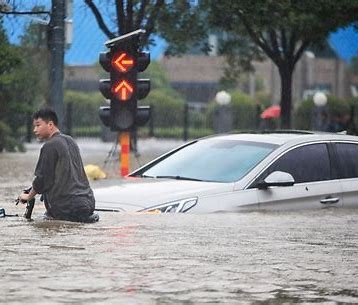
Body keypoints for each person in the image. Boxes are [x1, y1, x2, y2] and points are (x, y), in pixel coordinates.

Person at [18, 108, 98, 223]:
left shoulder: (49, 146)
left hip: (65, 209)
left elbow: (42, 180)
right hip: (88, 204)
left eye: (38, 125)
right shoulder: (71, 141)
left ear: (50, 124)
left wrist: (27, 197)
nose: (35, 130)